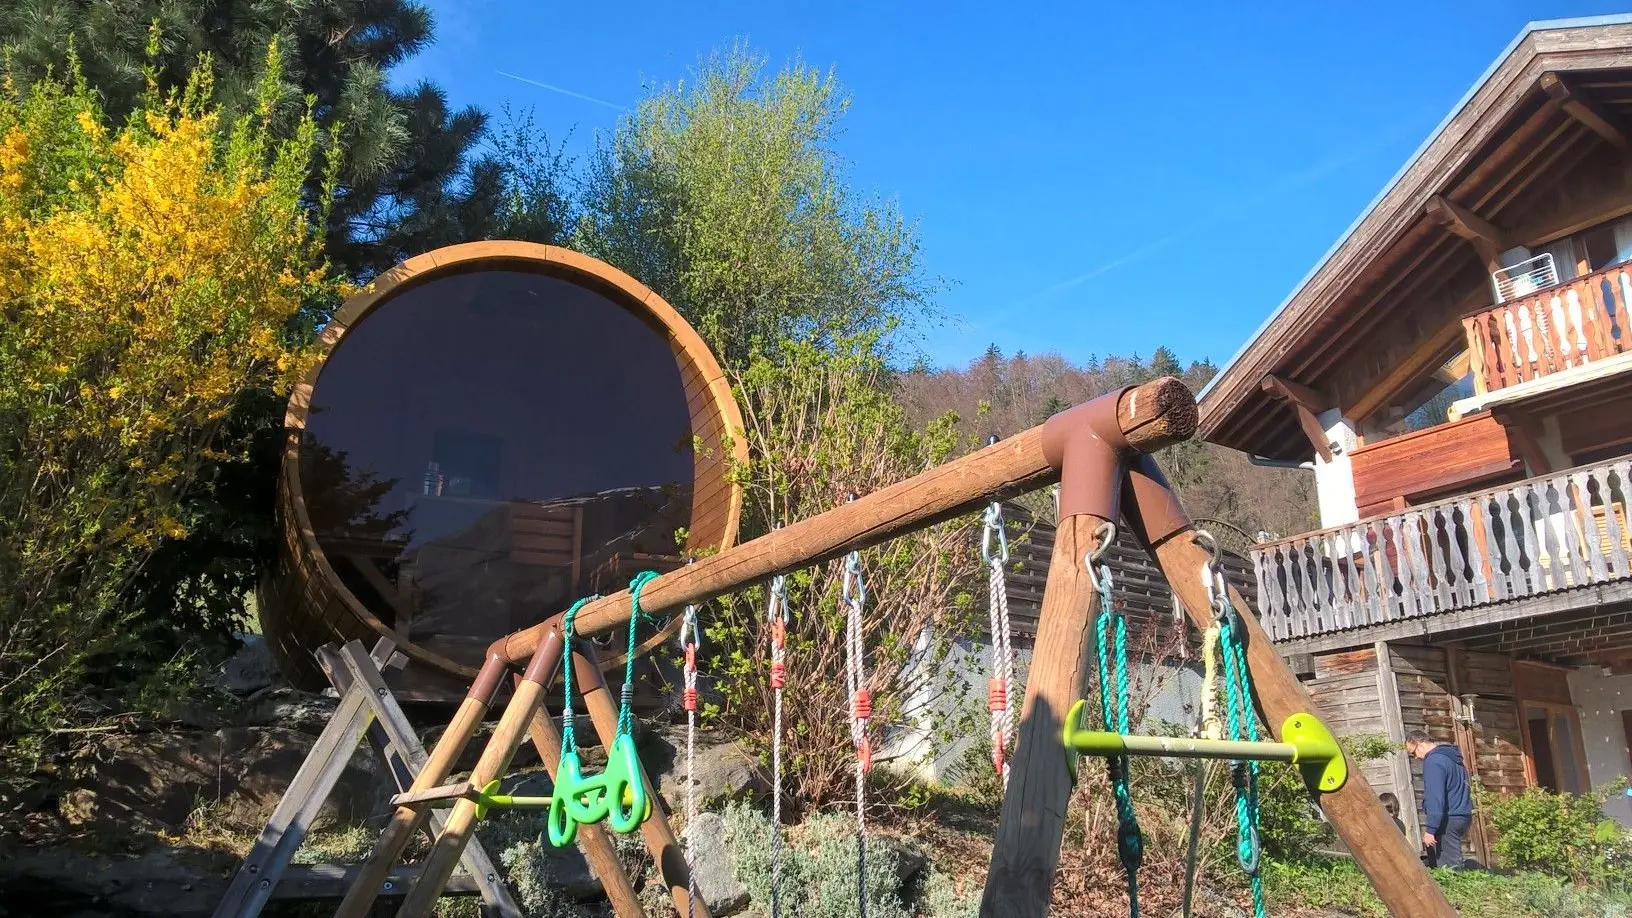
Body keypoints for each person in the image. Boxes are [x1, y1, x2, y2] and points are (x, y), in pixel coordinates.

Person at [1406, 730, 1474, 868]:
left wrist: (1431, 830)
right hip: (1462, 815)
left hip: (1447, 819)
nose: (1415, 758)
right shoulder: (1452, 759)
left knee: (1448, 869)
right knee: (1441, 862)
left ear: (1420, 744)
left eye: (1413, 753)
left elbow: (1435, 796)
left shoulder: (1433, 761)